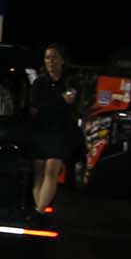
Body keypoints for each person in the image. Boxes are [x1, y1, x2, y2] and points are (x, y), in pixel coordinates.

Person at [29, 43, 80, 214]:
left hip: (60, 132)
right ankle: (40, 210)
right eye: (47, 58)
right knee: (39, 173)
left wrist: (53, 105)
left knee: (52, 170)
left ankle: (39, 211)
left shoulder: (70, 82)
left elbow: (73, 104)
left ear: (62, 60)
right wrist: (59, 101)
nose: (50, 61)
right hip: (41, 130)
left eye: (54, 57)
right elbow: (36, 108)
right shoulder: (39, 83)